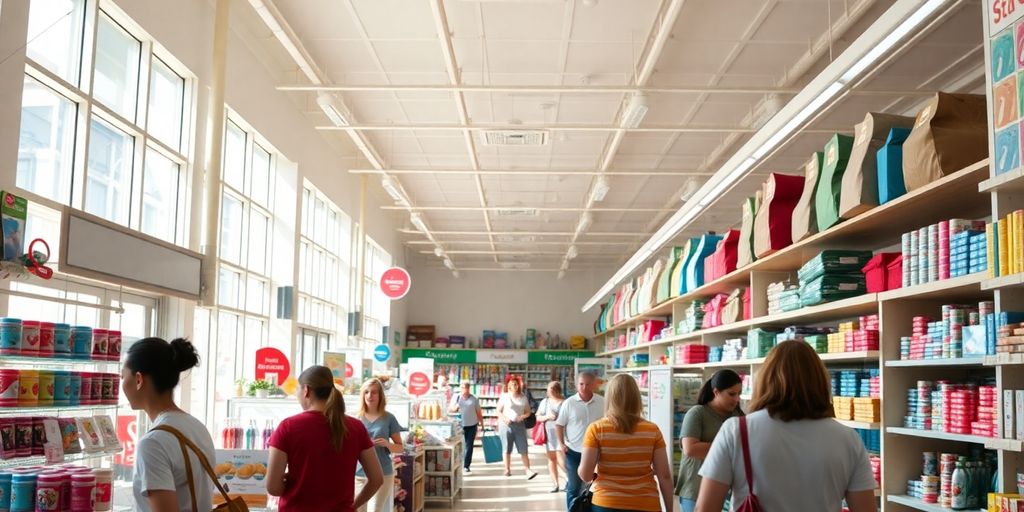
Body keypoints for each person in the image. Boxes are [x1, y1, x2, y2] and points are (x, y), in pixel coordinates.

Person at [696, 341, 877, 512]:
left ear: (766, 379)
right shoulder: (847, 438)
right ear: (820, 380)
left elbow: (705, 508)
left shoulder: (737, 431)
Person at [266, 366, 383, 511]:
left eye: (297, 389)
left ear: (306, 390)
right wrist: (353, 506)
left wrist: (289, 480)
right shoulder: (356, 427)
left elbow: (273, 488)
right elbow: (377, 479)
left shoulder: (287, 427)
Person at [122, 337, 216, 512]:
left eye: (123, 376)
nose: (122, 384)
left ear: (138, 379)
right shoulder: (196, 427)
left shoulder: (153, 443)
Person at [577, 374, 673, 512]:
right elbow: (664, 475)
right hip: (646, 503)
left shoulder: (596, 429)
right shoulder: (652, 430)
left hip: (606, 503)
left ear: (609, 398)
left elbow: (585, 475)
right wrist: (670, 509)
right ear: (636, 397)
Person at [675, 370, 744, 512]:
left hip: (727, 492)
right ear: (716, 392)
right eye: (731, 394)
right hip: (695, 490)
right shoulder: (697, 413)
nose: (737, 399)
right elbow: (690, 449)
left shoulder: (738, 416)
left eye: (739, 394)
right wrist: (727, 447)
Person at [555, 371, 605, 509]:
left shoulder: (602, 402)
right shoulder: (569, 403)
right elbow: (559, 424)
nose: (584, 387)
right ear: (577, 385)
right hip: (574, 451)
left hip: (597, 453)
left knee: (596, 487)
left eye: (587, 384)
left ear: (594, 385)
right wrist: (562, 444)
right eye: (581, 384)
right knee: (574, 486)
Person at [356, 378, 405, 512]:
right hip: (358, 474)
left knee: (375, 509)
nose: (369, 396)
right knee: (358, 509)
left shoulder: (389, 418)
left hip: (383, 473)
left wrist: (387, 444)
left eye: (374, 392)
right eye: (366, 392)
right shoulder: (356, 418)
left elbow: (400, 447)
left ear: (380, 395)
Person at [495, 376, 538, 479]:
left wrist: (522, 416)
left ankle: (528, 470)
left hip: (519, 425)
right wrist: (505, 419)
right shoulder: (504, 396)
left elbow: (528, 412)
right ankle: (507, 469)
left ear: (519, 385)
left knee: (523, 448)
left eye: (515, 383)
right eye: (512, 384)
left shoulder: (523, 397)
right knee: (506, 448)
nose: (514, 385)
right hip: (506, 425)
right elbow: (498, 411)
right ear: (508, 386)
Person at [536, 380, 566, 493]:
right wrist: (547, 417)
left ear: (555, 390)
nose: (548, 392)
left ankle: (568, 480)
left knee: (561, 458)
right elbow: (538, 417)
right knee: (551, 459)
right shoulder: (545, 402)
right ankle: (555, 484)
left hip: (562, 435)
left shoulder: (565, 402)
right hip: (548, 435)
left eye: (550, 390)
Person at [448, 380, 484, 473]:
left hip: (472, 425)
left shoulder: (474, 399)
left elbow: (479, 413)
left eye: (466, 387)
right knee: (459, 445)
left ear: (469, 388)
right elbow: (450, 409)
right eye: (463, 387)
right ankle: (458, 463)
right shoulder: (456, 397)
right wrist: (455, 407)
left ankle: (466, 465)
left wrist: (482, 424)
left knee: (469, 446)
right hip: (459, 425)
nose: (464, 389)